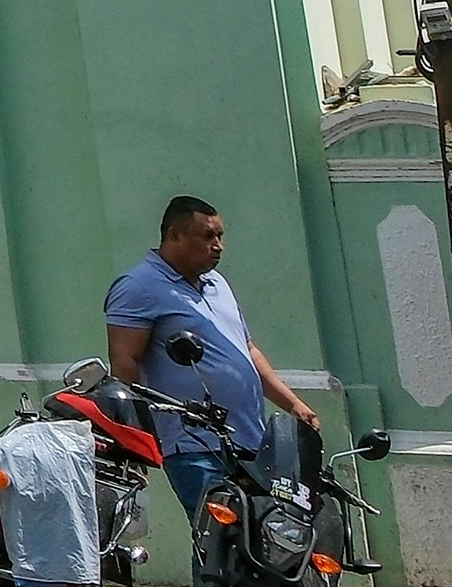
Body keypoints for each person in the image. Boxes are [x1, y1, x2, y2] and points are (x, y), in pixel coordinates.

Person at [103, 193, 317, 487]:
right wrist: (135, 439)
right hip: (193, 444)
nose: (218, 246)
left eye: (219, 236)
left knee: (269, 529)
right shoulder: (139, 287)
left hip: (250, 440)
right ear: (174, 235)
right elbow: (125, 362)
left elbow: (247, 351)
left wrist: (292, 404)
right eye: (207, 236)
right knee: (222, 530)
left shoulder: (218, 283)